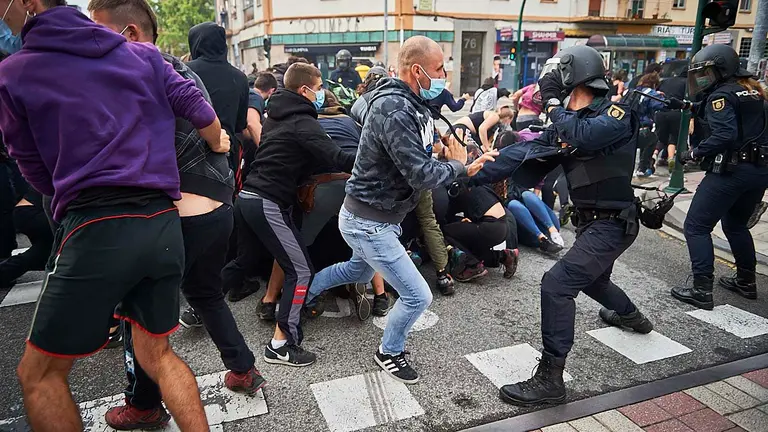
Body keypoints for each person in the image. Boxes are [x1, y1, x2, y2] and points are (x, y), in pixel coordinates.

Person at [0, 1, 224, 430]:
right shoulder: (144, 55)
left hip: (96, 224)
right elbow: (199, 110)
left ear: (27, 3)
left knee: (39, 374)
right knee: (158, 355)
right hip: (161, 222)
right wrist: (219, 144)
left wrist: (71, 186)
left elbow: (30, 165)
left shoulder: (15, 72)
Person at [89, 1, 266, 428]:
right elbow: (224, 130)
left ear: (129, 33)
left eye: (97, 33)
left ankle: (144, 402)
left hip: (170, 214)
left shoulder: (126, 74)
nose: (90, 43)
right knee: (206, 294)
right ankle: (243, 368)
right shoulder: (185, 73)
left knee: (140, 312)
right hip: (218, 205)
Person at [303, 36, 496, 384]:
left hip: (377, 219)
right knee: (417, 295)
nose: (444, 75)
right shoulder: (394, 109)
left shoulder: (414, 105)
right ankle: (389, 351)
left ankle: (307, 291)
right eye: (439, 69)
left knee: (356, 273)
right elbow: (421, 174)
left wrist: (457, 161)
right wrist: (456, 166)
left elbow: (421, 159)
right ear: (417, 70)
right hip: (368, 222)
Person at [470, 45, 653, 406]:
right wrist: (467, 176)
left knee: (557, 283)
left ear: (572, 76)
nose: (553, 85)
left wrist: (552, 103)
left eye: (559, 78)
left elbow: (585, 135)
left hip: (615, 223)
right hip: (590, 223)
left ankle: (551, 379)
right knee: (594, 280)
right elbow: (521, 152)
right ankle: (633, 317)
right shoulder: (568, 120)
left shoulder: (615, 112)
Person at [239, 63, 355, 367]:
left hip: (251, 197)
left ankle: (197, 308)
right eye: (318, 88)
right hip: (268, 200)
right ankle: (281, 345)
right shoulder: (303, 121)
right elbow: (338, 158)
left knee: (246, 263)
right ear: (304, 90)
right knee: (301, 270)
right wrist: (376, 160)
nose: (321, 94)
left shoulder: (276, 115)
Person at [670, 44, 768, 310]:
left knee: (696, 226)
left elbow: (725, 134)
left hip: (731, 172)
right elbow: (744, 122)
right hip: (759, 172)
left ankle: (701, 289)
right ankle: (746, 281)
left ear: (721, 70)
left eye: (707, 73)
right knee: (736, 225)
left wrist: (692, 153)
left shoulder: (721, 96)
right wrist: (688, 106)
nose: (702, 79)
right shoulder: (755, 92)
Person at [186, 22, 251, 193]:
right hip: (227, 152)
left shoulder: (185, 72)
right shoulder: (240, 77)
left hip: (190, 153)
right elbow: (240, 125)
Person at [653, 67, 687, 170]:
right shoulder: (686, 83)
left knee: (661, 137)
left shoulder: (666, 81)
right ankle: (671, 158)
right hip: (675, 113)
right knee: (673, 137)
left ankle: (654, 154)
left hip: (661, 112)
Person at [633, 73, 666, 177]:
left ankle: (640, 167)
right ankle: (642, 167)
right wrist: (660, 96)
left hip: (629, 125)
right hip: (643, 124)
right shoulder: (650, 93)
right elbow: (661, 105)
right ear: (654, 84)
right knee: (652, 139)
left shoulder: (633, 91)